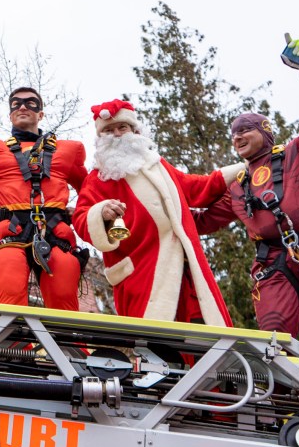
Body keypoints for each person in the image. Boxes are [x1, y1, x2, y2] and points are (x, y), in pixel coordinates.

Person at [195, 37, 299, 351]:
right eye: (234, 133)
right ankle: (282, 398)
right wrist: (149, 210)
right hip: (272, 261)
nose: (238, 136)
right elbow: (202, 222)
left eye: (246, 129)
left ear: (265, 132)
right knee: (274, 340)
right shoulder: (239, 186)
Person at [71, 99, 236, 326]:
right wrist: (101, 213)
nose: (117, 134)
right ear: (101, 138)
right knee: (153, 344)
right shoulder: (98, 179)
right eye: (109, 130)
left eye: (122, 127)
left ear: (135, 130)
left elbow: (197, 188)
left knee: (201, 335)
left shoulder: (158, 166)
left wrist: (242, 171)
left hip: (184, 269)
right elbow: (81, 219)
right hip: (142, 275)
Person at [0, 87, 88, 310]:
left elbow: (91, 190)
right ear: (10, 114)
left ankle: (69, 346)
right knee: (9, 294)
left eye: (30, 103)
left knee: (63, 299)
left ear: (40, 114)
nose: (22, 107)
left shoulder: (68, 151)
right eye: (16, 103)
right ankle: (12, 346)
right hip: (10, 231)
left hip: (56, 233)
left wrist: (80, 209)